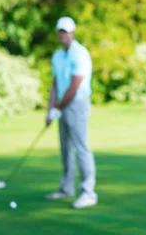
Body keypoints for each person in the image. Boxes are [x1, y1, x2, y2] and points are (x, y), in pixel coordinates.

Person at [45, 16, 98, 209]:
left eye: (66, 31)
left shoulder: (80, 53)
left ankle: (88, 193)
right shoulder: (57, 56)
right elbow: (55, 83)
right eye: (61, 31)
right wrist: (50, 109)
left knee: (81, 148)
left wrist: (57, 108)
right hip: (61, 104)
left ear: (72, 33)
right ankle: (67, 188)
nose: (63, 35)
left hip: (77, 103)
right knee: (65, 148)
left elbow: (75, 84)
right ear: (58, 33)